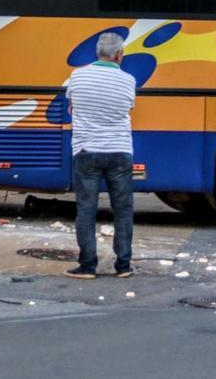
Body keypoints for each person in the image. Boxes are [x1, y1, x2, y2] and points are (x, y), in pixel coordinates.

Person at [64, 32, 137, 280]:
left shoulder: (77, 76)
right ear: (118, 55)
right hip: (119, 151)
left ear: (98, 52)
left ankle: (87, 265)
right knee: (123, 209)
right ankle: (123, 265)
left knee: (86, 209)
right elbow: (127, 108)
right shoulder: (128, 80)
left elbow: (72, 105)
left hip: (87, 151)